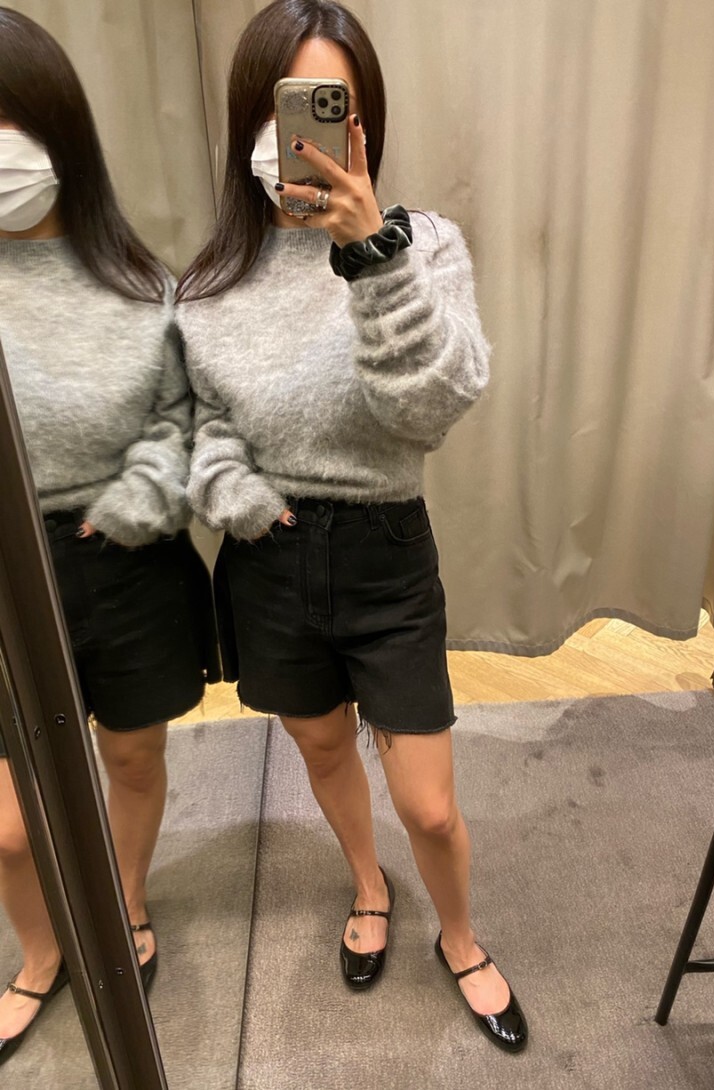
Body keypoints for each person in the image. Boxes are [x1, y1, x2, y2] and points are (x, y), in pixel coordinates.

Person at [177, 0, 527, 1052]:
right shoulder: (210, 284)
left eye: (333, 106)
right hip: (268, 558)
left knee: (429, 802)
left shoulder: (421, 245)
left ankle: (459, 935)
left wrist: (371, 256)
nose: (304, 133)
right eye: (286, 107)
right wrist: (242, 502)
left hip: (384, 553)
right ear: (252, 121)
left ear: (364, 121)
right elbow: (199, 429)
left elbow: (432, 408)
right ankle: (367, 886)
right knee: (323, 745)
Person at [0, 8, 217, 1064]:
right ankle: (42, 950)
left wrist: (128, 504)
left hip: (122, 563)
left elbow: (184, 425)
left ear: (55, 132)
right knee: (10, 822)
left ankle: (125, 900)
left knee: (132, 755)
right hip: (5, 574)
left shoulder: (141, 286)